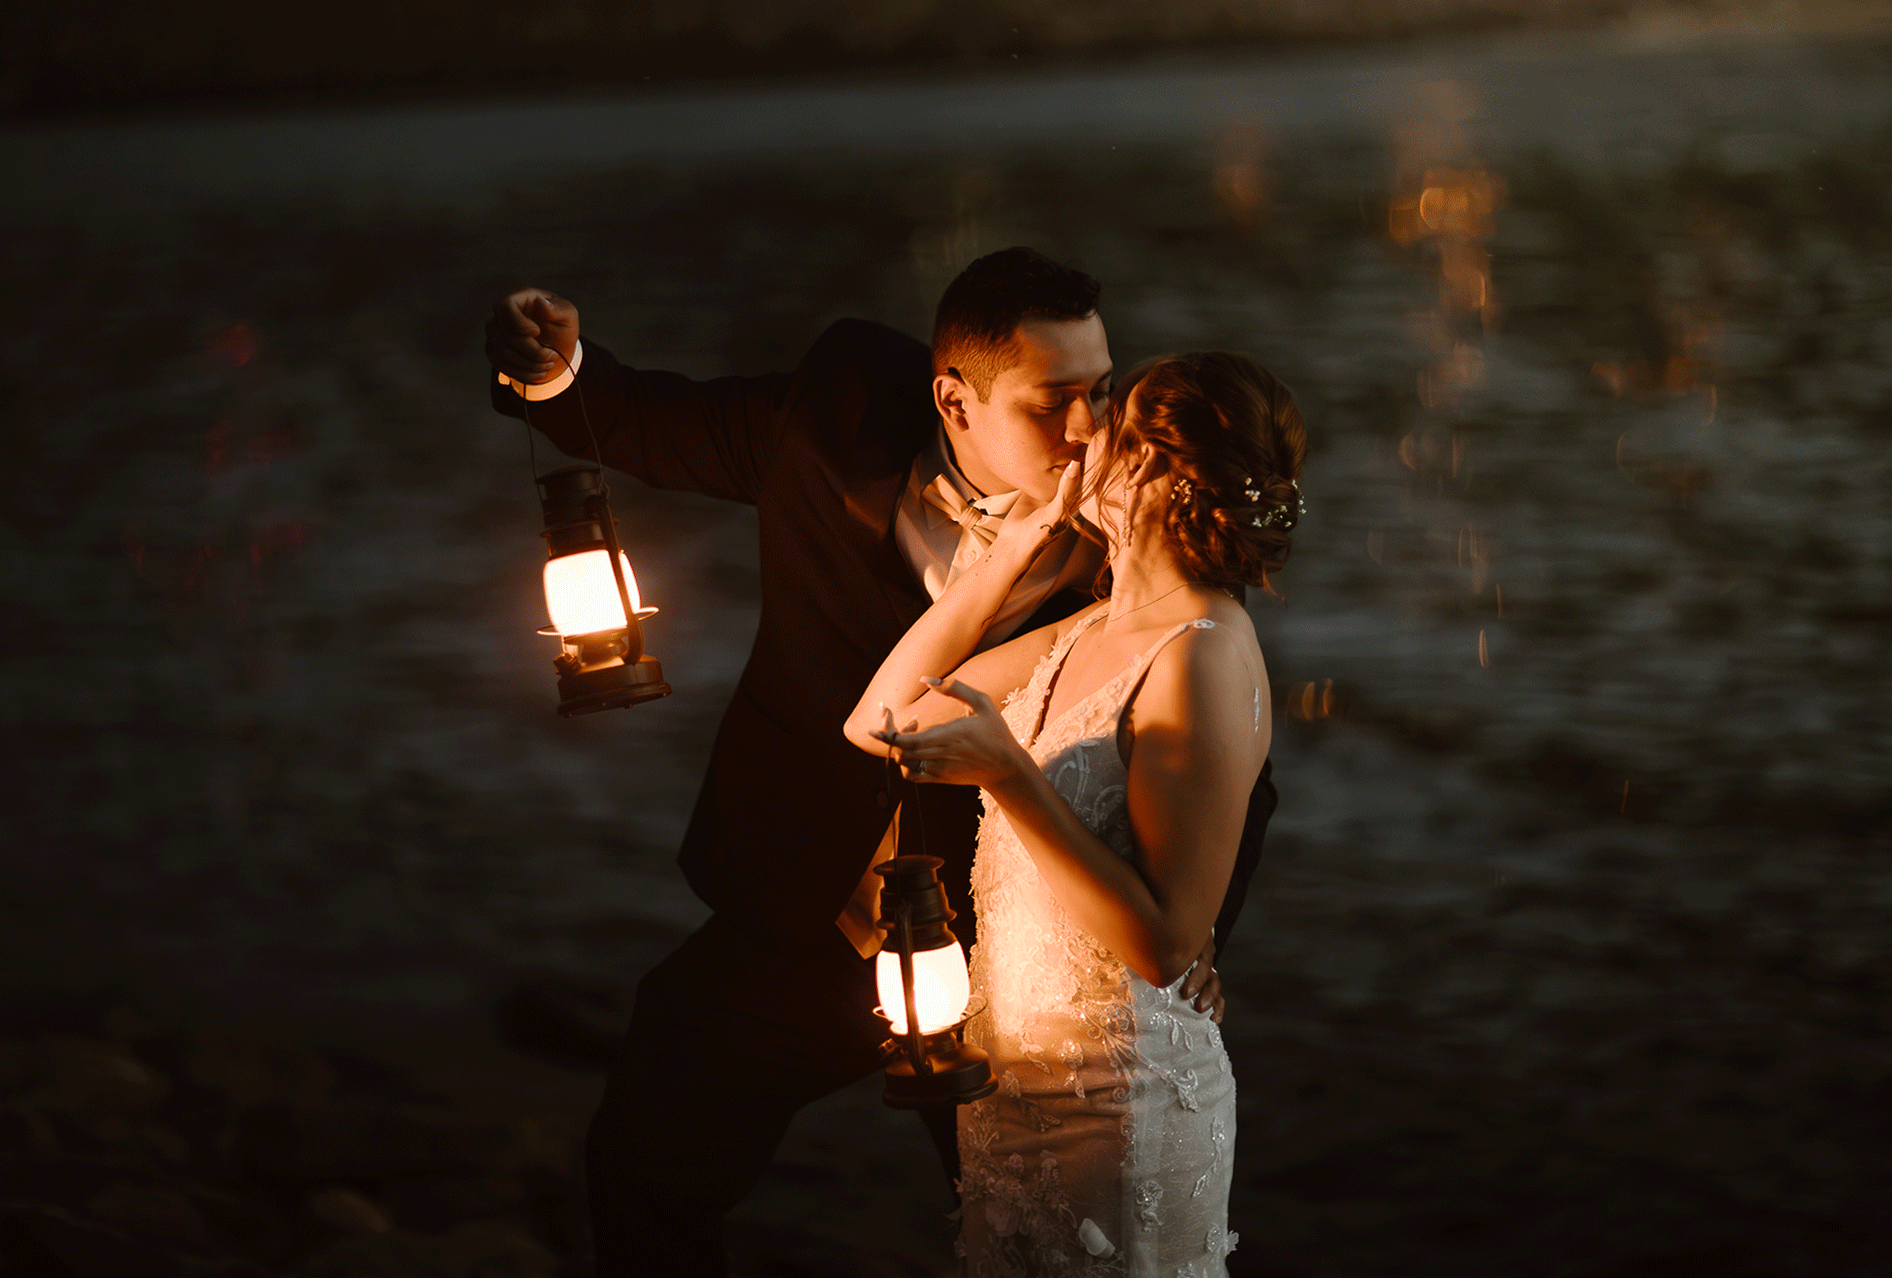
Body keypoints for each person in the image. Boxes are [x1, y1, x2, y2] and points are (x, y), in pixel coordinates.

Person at [484, 248, 1275, 1275]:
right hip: (807, 904)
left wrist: (1199, 931)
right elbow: (641, 418)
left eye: (1100, 392)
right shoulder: (837, 415)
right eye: (1052, 404)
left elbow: (1222, 768)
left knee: (1062, 1226)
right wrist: (553, 368)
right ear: (952, 398)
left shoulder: (1143, 533)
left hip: (1011, 968)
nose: (1089, 432)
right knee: (644, 1154)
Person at [845, 350, 1306, 1273]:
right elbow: (881, 720)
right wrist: (1010, 554)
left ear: (1161, 477)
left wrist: (1011, 778)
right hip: (1011, 1098)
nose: (1077, 437)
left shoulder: (1203, 655)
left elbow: (1168, 941)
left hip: (1120, 1107)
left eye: (1108, 425)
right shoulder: (1090, 629)